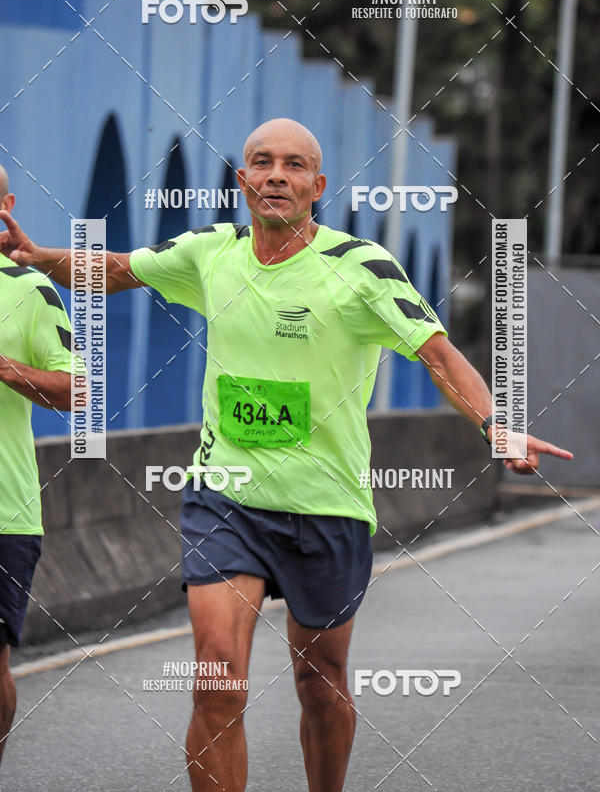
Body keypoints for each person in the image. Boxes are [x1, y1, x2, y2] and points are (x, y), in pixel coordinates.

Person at [0, 119, 572, 791]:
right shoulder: (211, 251)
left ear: (316, 185)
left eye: (294, 165)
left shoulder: (359, 268)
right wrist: (40, 257)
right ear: (242, 180)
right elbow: (118, 270)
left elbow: (438, 355)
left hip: (326, 504)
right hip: (225, 496)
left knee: (320, 682)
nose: (277, 174)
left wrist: (494, 425)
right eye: (262, 162)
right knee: (216, 679)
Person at [0, 165, 75, 765]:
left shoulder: (31, 289)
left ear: (7, 204)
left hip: (5, 511)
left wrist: (6, 368)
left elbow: (82, 390)